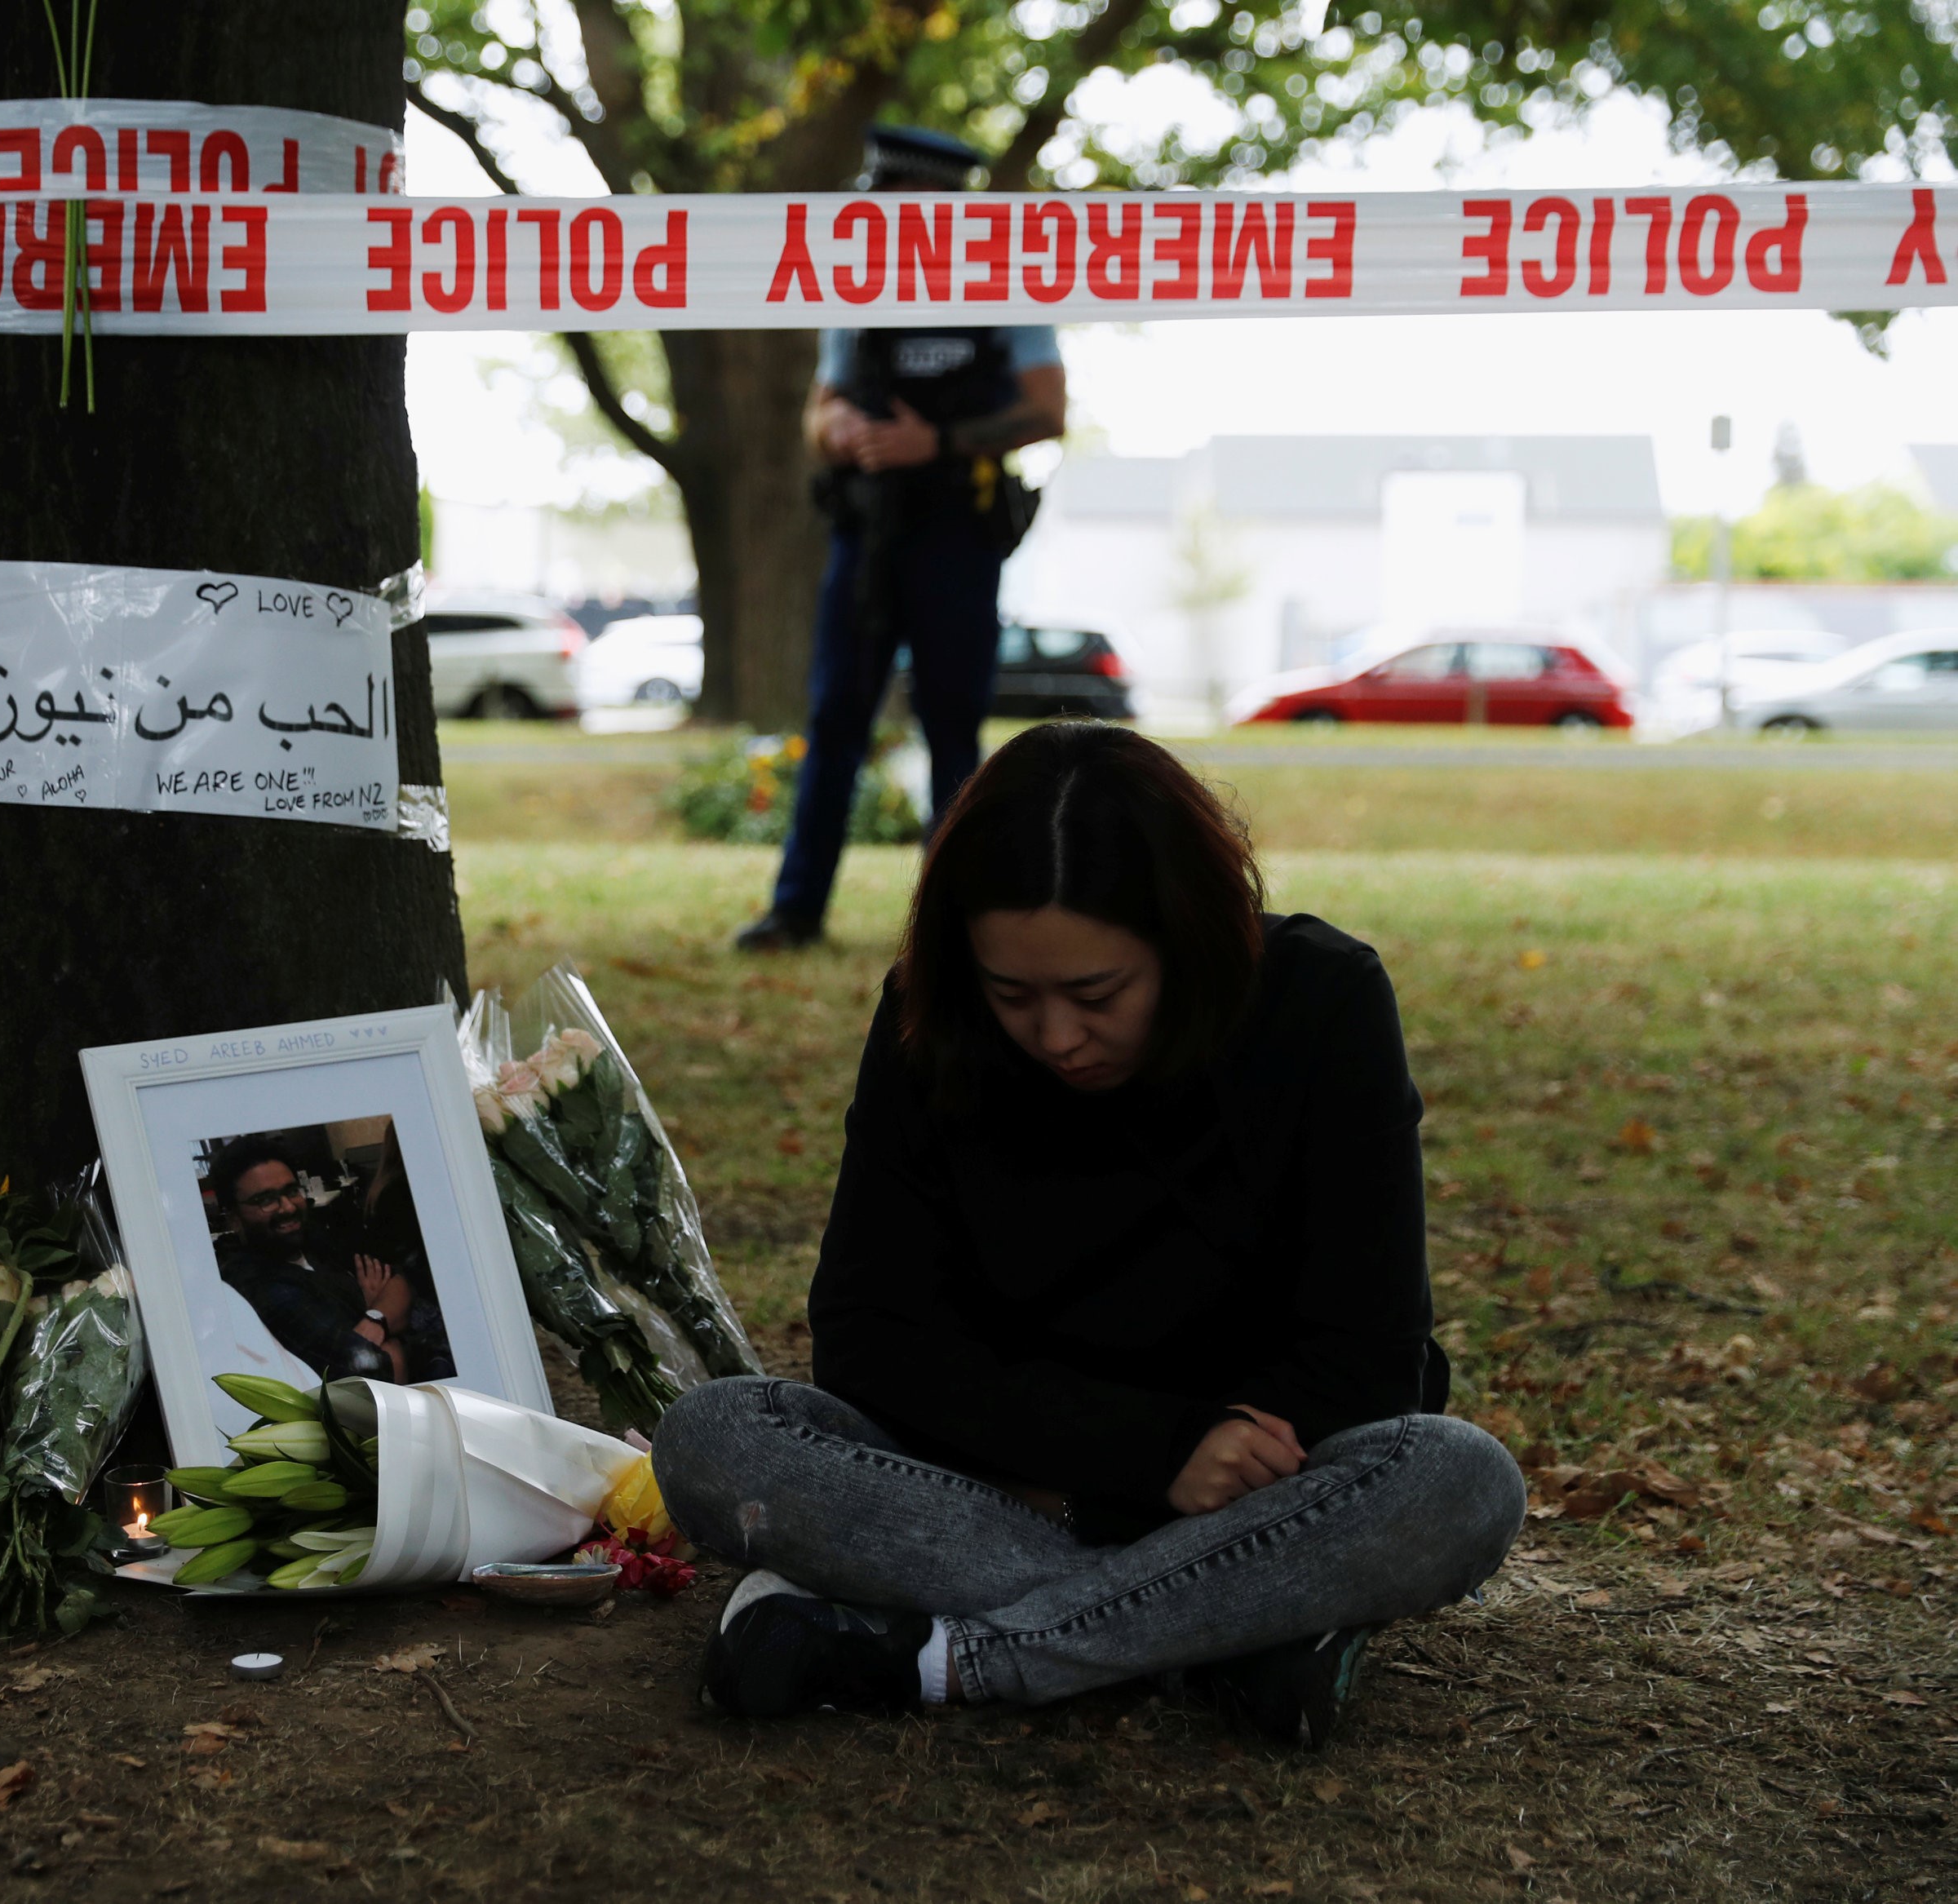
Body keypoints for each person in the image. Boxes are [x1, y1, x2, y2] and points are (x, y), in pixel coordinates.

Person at [658, 723, 1525, 1747]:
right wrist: (1144, 1462)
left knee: (1457, 1481)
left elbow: (1370, 1352)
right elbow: (870, 1336)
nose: (1057, 1038)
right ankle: (1234, 1631)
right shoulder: (926, 1021)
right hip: (994, 1478)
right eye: (1011, 994)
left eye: (1096, 994)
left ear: (1186, 939)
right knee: (714, 1436)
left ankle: (936, 1654)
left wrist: (1201, 1465)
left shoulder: (1322, 1002)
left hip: (1255, 1483)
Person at [736, 124, 1069, 954]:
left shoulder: (1005, 287)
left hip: (957, 532)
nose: (875, 214)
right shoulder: (854, 289)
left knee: (951, 724)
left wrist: (940, 444)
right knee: (834, 719)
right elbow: (818, 413)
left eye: (891, 202)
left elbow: (1046, 411)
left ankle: (952, 925)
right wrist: (839, 428)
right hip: (866, 537)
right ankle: (795, 910)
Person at [206, 1136, 453, 1384]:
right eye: (266, 1200)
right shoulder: (258, 1286)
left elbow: (400, 1282)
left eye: (292, 1191)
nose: (288, 1207)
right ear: (233, 1217)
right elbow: (377, 1370)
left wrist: (374, 1316)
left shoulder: (314, 1238)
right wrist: (387, 1320)